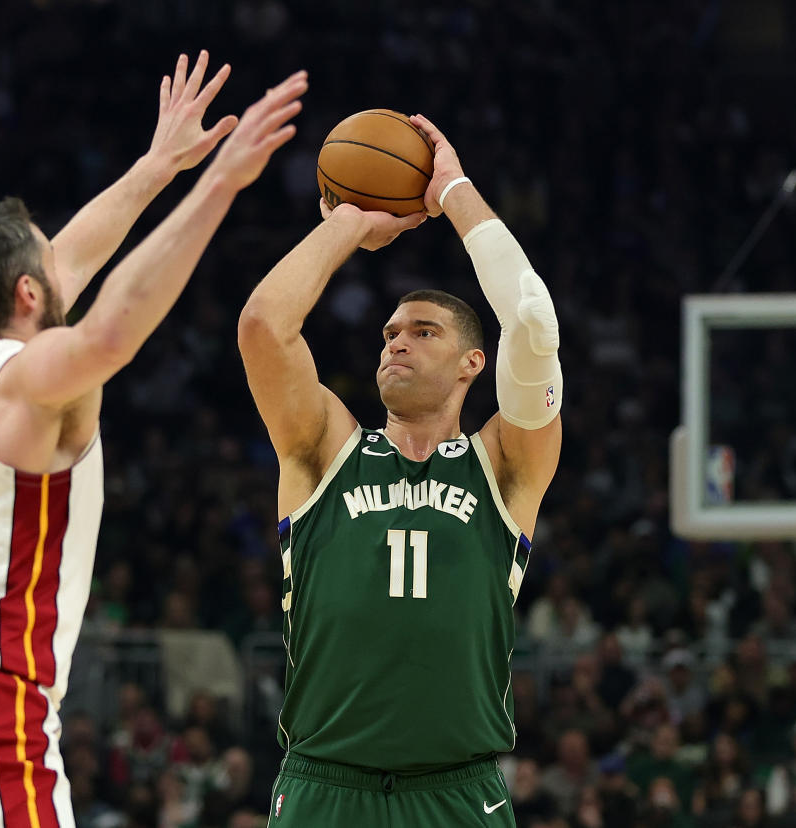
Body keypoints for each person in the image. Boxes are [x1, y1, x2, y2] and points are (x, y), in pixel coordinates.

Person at [0, 52, 309, 827]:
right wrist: (219, 182)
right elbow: (107, 333)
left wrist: (157, 167)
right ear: (27, 293)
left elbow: (73, 257)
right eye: (44, 256)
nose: (64, 255)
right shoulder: (27, 377)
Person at [238, 114, 563, 826]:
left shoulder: (503, 464)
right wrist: (349, 222)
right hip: (325, 785)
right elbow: (264, 326)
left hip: (458, 792)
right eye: (389, 333)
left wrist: (453, 190)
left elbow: (532, 323)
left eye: (423, 332)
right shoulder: (325, 447)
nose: (398, 343)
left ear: (474, 363)